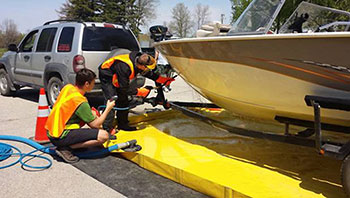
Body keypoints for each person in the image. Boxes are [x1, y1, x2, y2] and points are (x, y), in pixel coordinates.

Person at [45, 68, 115, 163]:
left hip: (51, 131)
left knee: (92, 128)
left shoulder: (68, 88)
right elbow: (95, 125)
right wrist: (108, 108)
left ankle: (70, 144)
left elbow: (70, 108)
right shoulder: (80, 101)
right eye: (93, 83)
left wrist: (90, 113)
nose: (93, 85)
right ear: (86, 84)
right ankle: (66, 148)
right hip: (60, 136)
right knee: (104, 136)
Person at [98, 50, 175, 132]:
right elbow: (124, 88)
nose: (147, 70)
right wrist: (140, 92)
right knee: (111, 100)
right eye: (147, 68)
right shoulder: (124, 67)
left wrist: (162, 80)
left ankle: (123, 125)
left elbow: (147, 73)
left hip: (118, 75)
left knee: (123, 100)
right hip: (107, 75)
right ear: (142, 66)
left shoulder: (139, 60)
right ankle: (106, 129)